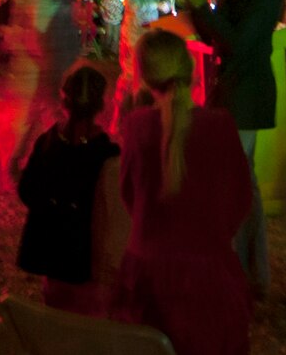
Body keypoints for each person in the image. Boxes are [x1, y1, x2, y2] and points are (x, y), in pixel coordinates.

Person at [114, 29, 253, 355]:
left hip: (149, 275)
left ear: (145, 78)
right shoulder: (220, 126)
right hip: (210, 275)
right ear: (190, 70)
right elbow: (240, 198)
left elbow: (129, 195)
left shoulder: (137, 127)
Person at [179, 0, 280, 297]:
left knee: (238, 179)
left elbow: (238, 41)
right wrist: (197, 6)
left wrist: (201, 6)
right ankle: (249, 268)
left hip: (247, 90)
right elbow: (214, 34)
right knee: (241, 179)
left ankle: (244, 268)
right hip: (230, 87)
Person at [18, 62, 123, 315]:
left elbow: (27, 190)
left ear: (64, 100)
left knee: (56, 310)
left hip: (51, 252)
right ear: (102, 104)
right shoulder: (107, 153)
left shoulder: (48, 142)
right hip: (85, 255)